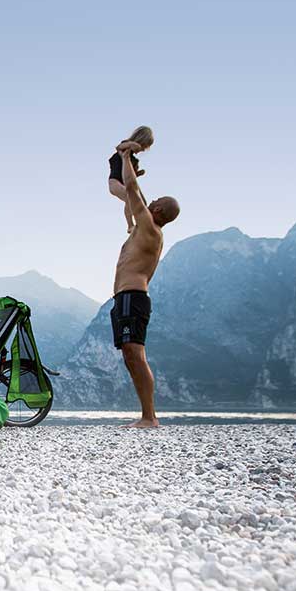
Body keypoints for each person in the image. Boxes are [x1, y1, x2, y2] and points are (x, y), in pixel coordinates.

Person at [109, 141, 180, 428]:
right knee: (130, 356)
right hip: (125, 298)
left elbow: (132, 190)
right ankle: (146, 415)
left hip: (133, 296)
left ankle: (150, 417)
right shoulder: (143, 227)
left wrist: (127, 156)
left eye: (155, 201)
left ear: (160, 209)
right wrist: (122, 166)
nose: (150, 201)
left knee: (136, 355)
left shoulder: (150, 227)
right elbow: (124, 191)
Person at [109, 126, 154, 233]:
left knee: (142, 201)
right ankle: (130, 225)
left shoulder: (134, 161)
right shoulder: (125, 147)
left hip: (125, 183)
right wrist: (132, 145)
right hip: (114, 182)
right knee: (130, 197)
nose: (142, 150)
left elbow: (128, 175)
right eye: (144, 146)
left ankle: (143, 221)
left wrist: (138, 173)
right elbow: (119, 147)